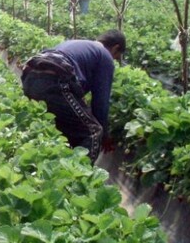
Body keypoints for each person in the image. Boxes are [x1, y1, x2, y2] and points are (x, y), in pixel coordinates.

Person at [21, 29, 127, 163]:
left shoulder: (79, 44)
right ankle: (75, 178)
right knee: (93, 132)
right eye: (116, 57)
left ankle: (50, 165)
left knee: (60, 125)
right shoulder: (105, 56)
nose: (114, 60)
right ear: (115, 48)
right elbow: (100, 103)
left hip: (30, 77)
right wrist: (105, 134)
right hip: (54, 81)